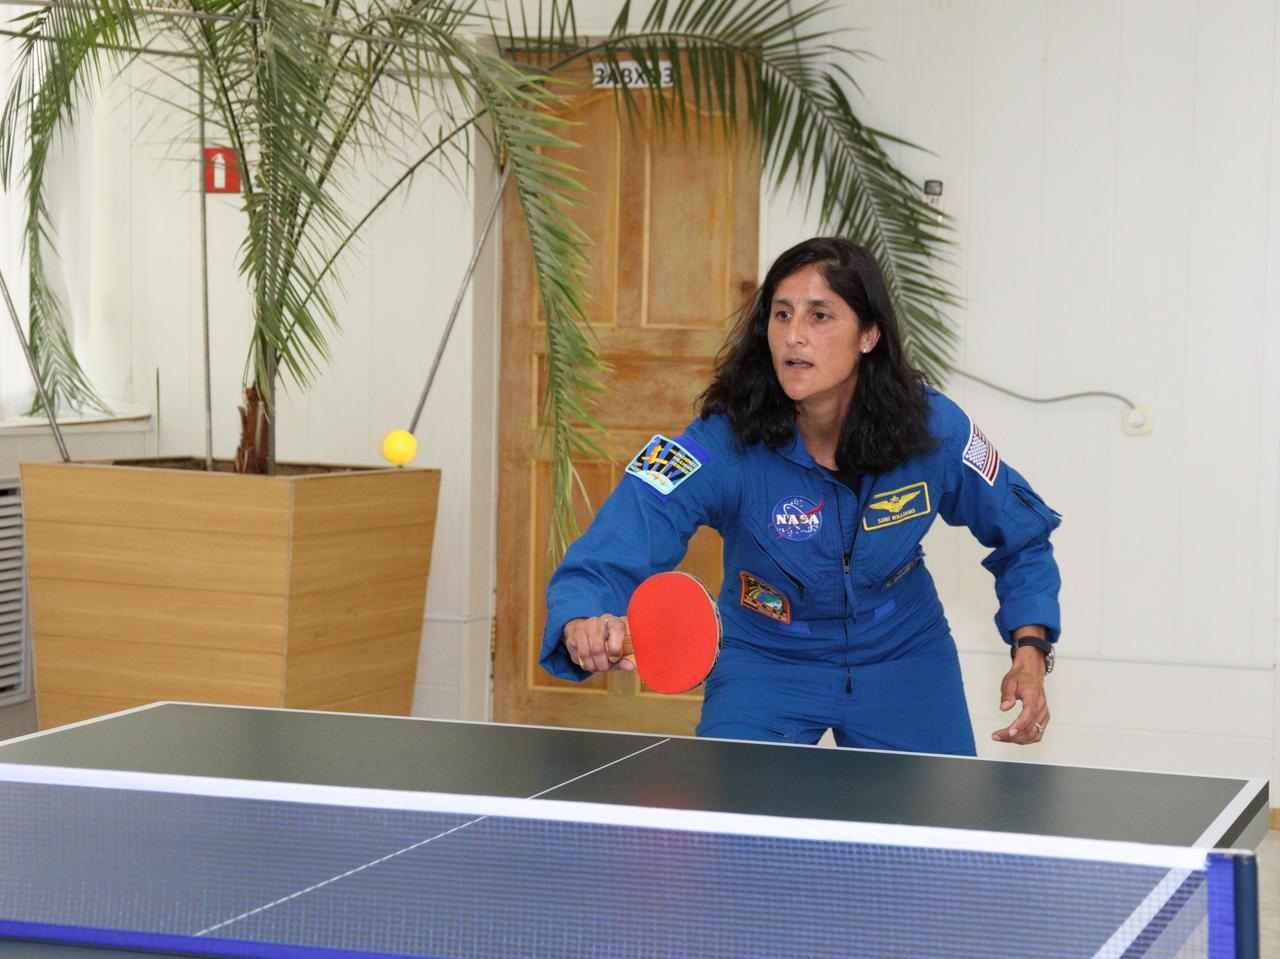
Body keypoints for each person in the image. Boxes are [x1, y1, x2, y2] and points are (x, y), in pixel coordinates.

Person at [539, 237, 1061, 755]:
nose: (794, 336)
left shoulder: (935, 429)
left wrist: (1030, 652)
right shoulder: (720, 440)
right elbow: (631, 524)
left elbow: (1023, 536)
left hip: (903, 655)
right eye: (782, 315)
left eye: (819, 317)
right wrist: (584, 614)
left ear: (869, 334)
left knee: (933, 837)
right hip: (766, 659)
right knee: (735, 834)